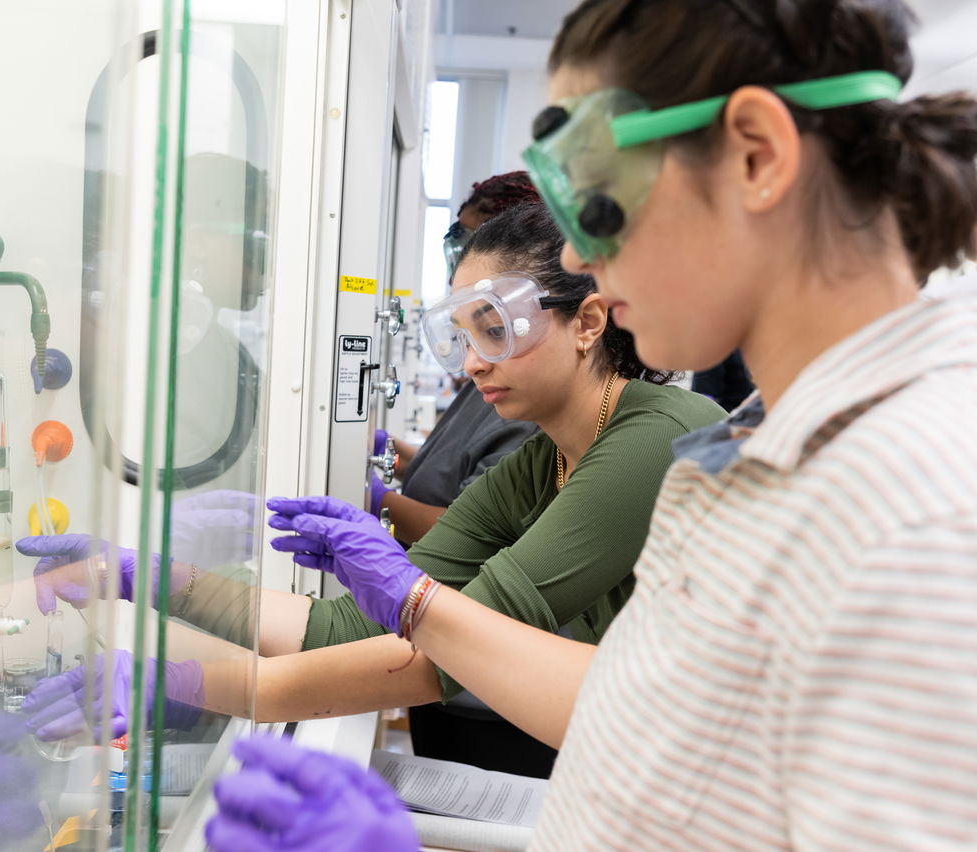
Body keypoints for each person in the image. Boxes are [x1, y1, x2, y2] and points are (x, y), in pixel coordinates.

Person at [222, 0, 977, 848]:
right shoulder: (746, 453)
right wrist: (412, 604)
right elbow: (640, 725)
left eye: (597, 195)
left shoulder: (922, 511)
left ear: (757, 157)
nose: (578, 258)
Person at [19, 201, 725, 778]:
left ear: (589, 322)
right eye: (461, 340)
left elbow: (430, 662)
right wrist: (148, 577)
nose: (473, 365)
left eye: (496, 332)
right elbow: (351, 629)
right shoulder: (542, 464)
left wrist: (188, 685)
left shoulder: (658, 439)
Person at [372, 171, 542, 546]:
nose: (471, 365)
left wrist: (375, 500)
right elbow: (451, 472)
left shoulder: (527, 398)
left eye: (495, 330)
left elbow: (470, 530)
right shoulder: (485, 367)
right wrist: (384, 450)